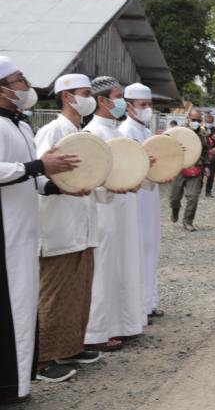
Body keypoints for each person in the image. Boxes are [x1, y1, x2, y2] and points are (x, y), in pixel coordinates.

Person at [0, 57, 79, 403]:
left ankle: (19, 381)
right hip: (4, 230)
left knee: (22, 301)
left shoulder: (22, 125)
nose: (26, 85)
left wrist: (59, 186)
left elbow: (30, 178)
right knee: (9, 302)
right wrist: (38, 165)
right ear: (3, 89)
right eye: (19, 80)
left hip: (22, 229)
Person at [33, 74, 102, 383]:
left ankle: (70, 347)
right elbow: (39, 178)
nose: (91, 98)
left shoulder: (79, 132)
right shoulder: (52, 132)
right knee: (54, 293)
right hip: (59, 227)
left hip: (82, 225)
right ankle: (43, 359)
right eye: (86, 93)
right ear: (67, 97)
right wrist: (64, 189)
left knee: (78, 291)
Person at [83, 76, 146, 352]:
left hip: (125, 206)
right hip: (104, 208)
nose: (122, 102)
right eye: (118, 96)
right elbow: (89, 176)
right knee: (105, 268)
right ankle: (98, 331)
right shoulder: (92, 134)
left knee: (125, 263)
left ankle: (125, 323)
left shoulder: (118, 133)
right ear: (102, 100)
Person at [121, 83, 165, 319]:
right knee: (138, 250)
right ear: (129, 106)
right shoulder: (125, 132)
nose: (147, 109)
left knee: (151, 248)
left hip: (150, 195)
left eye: (149, 105)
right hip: (136, 197)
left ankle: (149, 302)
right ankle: (138, 307)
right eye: (143, 105)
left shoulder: (146, 132)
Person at [169, 110, 210, 232]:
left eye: (198, 120)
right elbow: (168, 146)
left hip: (196, 168)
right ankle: (175, 209)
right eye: (194, 120)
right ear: (188, 118)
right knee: (174, 197)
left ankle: (188, 221)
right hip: (179, 168)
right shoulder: (178, 131)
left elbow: (205, 151)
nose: (196, 122)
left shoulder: (202, 133)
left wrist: (206, 165)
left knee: (193, 197)